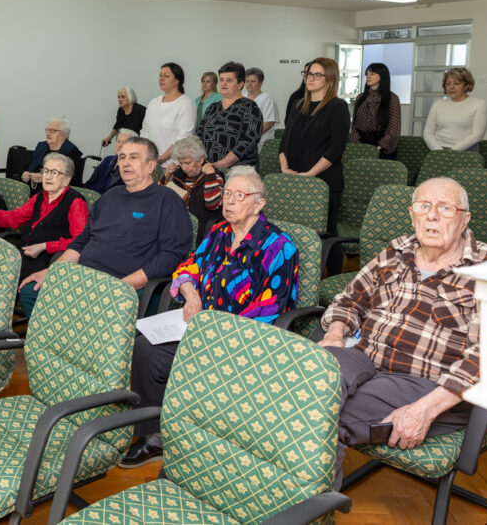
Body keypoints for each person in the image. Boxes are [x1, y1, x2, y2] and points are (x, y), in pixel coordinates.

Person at [318, 177, 487, 489]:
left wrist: (425, 409)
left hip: (426, 381)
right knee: (301, 382)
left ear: (465, 219)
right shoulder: (397, 250)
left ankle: (303, 509)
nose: (432, 216)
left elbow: (485, 355)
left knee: (321, 420)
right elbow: (349, 299)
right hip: (364, 355)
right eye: (423, 206)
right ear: (412, 214)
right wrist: (335, 335)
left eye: (445, 208)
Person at [123, 166, 299, 467]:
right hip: (198, 325)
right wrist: (191, 294)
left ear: (259, 204)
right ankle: (154, 434)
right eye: (227, 193)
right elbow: (189, 266)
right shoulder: (219, 232)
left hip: (241, 338)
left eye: (239, 195)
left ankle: (190, 437)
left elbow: (272, 308)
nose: (229, 201)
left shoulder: (279, 246)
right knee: (145, 349)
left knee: (187, 360)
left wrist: (215, 328)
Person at [20, 137, 191, 298]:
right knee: (30, 292)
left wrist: (122, 286)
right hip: (83, 276)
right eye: (122, 157)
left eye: (134, 157)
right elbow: (81, 241)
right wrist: (52, 271)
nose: (125, 163)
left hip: (122, 285)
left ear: (151, 165)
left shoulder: (167, 200)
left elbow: (171, 256)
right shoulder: (110, 196)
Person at [0, 153, 88, 317]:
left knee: (6, 280)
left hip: (50, 260)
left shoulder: (75, 202)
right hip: (26, 252)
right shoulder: (40, 197)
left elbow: (80, 242)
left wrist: (45, 246)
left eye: (55, 173)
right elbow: (14, 218)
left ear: (66, 179)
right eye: (46, 171)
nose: (48, 176)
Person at [279, 58, 351, 267]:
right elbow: (284, 142)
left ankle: (334, 277)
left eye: (317, 75)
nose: (310, 78)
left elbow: (336, 148)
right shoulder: (298, 105)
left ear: (330, 78)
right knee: (295, 232)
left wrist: (310, 175)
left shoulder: (338, 107)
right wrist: (284, 168)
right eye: (308, 73)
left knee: (327, 233)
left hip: (323, 181)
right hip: (294, 178)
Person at [197, 61, 262, 170]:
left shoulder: (250, 107)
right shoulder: (212, 107)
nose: (223, 84)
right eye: (221, 80)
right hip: (210, 169)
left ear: (240, 84)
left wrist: (223, 164)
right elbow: (199, 136)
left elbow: (249, 140)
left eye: (229, 80)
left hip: (240, 171)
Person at [160, 135, 223, 240]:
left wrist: (210, 176)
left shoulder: (213, 177)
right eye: (181, 163)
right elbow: (159, 198)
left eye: (187, 163)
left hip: (198, 231)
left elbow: (213, 205)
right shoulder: (178, 174)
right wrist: (166, 178)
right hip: (173, 227)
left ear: (201, 159)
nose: (184, 168)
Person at [141, 63, 197, 164]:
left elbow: (183, 139)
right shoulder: (154, 102)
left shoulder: (186, 103)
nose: (161, 79)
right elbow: (145, 131)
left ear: (177, 81)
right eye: (160, 75)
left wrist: (161, 159)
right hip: (150, 163)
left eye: (166, 76)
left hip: (173, 165)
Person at [423, 67, 487, 152]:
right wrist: (439, 151)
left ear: (467, 86)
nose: (451, 87)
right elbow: (427, 132)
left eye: (456, 83)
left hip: (466, 151)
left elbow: (477, 135)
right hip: (438, 150)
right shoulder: (437, 104)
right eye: (448, 84)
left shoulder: (479, 104)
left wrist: (452, 151)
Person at [351, 62, 401, 159]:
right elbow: (354, 124)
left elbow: (393, 127)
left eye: (372, 74)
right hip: (361, 143)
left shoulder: (392, 98)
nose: (368, 76)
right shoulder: (360, 98)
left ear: (382, 76)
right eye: (367, 74)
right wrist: (357, 144)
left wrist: (379, 146)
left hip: (383, 145)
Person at [22, 116, 84, 187]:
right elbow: (29, 165)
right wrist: (25, 173)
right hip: (32, 188)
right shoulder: (42, 146)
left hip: (54, 191)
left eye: (52, 131)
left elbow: (72, 180)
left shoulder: (72, 151)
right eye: (47, 130)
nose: (48, 133)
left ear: (63, 134)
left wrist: (46, 178)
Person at [85, 128, 135, 194]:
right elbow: (90, 183)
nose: (119, 146)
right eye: (118, 141)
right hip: (92, 197)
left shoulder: (131, 168)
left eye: (124, 142)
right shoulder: (107, 160)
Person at [244, 67, 278, 150]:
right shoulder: (241, 98)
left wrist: (249, 138)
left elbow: (268, 123)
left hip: (262, 144)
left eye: (253, 81)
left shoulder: (267, 99)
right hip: (242, 144)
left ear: (260, 83)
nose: (249, 84)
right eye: (247, 81)